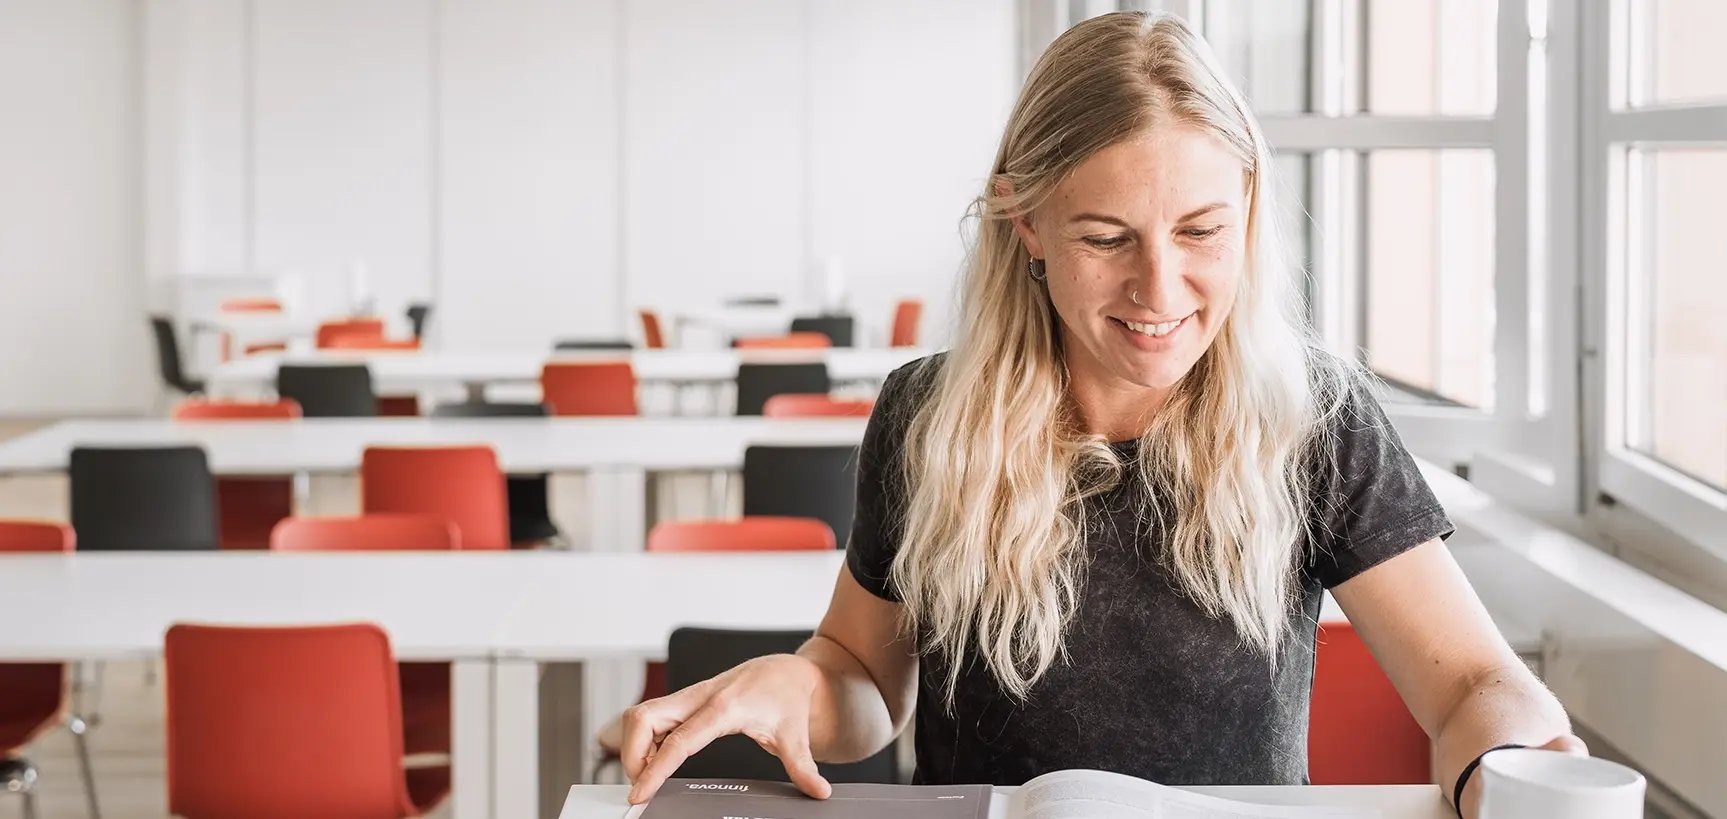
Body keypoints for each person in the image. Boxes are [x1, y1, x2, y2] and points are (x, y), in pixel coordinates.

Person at [620, 11, 1582, 818]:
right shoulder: (927, 414)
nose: (1159, 287)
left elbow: (1468, 685)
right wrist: (798, 683)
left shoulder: (1313, 417)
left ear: (1246, 210)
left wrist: (1512, 759)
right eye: (1105, 236)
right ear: (1025, 223)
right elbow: (863, 681)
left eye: (1200, 230)